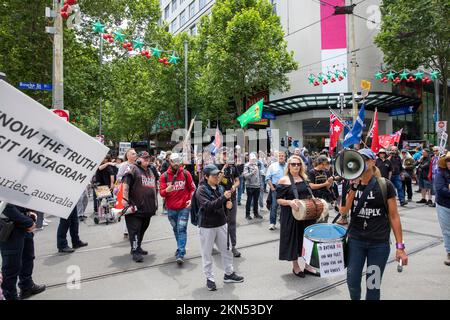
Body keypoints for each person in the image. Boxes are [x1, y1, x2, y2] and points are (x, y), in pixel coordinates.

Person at [339, 149, 408, 300]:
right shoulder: (350, 185)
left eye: (364, 159)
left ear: (372, 162)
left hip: (379, 244)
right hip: (356, 241)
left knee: (373, 284)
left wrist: (400, 247)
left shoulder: (385, 185)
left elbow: (394, 217)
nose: (360, 162)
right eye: (358, 159)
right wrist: (352, 188)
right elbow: (343, 211)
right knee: (352, 279)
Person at [196, 164, 244, 291]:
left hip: (222, 223)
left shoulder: (220, 188)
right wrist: (224, 199)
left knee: (227, 250)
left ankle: (229, 274)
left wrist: (228, 205)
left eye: (217, 174)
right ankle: (210, 279)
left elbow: (223, 205)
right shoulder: (201, 190)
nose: (217, 177)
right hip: (207, 226)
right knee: (207, 254)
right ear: (206, 177)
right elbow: (208, 206)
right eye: (214, 175)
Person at [276, 155, 319, 277]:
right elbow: (278, 199)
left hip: (307, 215)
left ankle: (308, 266)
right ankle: (295, 266)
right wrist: (289, 202)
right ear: (288, 166)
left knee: (308, 240)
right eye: (293, 164)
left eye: (298, 164)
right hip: (291, 215)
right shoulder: (283, 180)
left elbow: (309, 194)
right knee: (294, 240)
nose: (296, 166)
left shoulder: (304, 178)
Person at [0, 204, 46, 300]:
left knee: (28, 257)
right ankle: (10, 296)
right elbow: (5, 206)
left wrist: (31, 213)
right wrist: (28, 222)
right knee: (11, 266)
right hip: (9, 226)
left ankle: (27, 286)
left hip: (22, 222)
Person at [160, 153, 196, 265]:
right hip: (171, 209)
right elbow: (161, 193)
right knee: (176, 229)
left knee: (181, 229)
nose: (176, 163)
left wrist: (191, 199)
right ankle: (181, 247)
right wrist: (167, 190)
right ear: (169, 161)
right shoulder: (164, 176)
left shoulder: (186, 174)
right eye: (174, 161)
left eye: (178, 161)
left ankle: (180, 253)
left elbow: (193, 188)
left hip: (184, 207)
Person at [122, 151, 158, 263]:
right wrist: (125, 198)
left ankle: (138, 247)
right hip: (135, 208)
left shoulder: (151, 170)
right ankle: (135, 251)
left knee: (142, 230)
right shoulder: (132, 168)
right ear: (139, 159)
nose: (147, 160)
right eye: (144, 158)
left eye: (148, 158)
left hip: (148, 208)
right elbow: (125, 183)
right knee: (134, 231)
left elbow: (157, 182)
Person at [217, 149, 241, 257]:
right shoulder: (216, 166)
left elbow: (238, 181)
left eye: (228, 154)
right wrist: (223, 168)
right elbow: (217, 181)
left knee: (232, 222)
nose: (226, 156)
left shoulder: (233, 166)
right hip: (219, 199)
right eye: (224, 154)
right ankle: (221, 244)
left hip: (232, 197)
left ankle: (233, 246)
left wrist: (234, 187)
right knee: (220, 222)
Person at [117, 148, 138, 239]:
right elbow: (118, 177)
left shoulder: (137, 164)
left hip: (136, 191)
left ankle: (134, 228)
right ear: (128, 155)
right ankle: (127, 230)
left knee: (135, 210)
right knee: (128, 210)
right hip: (127, 191)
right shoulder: (124, 165)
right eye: (133, 154)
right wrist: (127, 178)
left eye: (135, 153)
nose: (135, 155)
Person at [307, 155, 335, 222]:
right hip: (315, 197)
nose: (326, 165)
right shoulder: (312, 172)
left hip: (325, 197)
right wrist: (325, 184)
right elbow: (311, 186)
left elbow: (327, 187)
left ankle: (324, 229)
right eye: (325, 163)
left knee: (325, 215)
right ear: (321, 163)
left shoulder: (326, 172)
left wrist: (330, 182)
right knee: (316, 215)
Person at [435, 152, 450, 266]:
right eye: (448, 160)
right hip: (444, 205)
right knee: (447, 231)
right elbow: (440, 190)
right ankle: (449, 253)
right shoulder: (440, 173)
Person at [266, 151, 287, 230]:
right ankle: (272, 223)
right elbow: (268, 178)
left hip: (285, 189)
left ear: (285, 157)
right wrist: (272, 188)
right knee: (274, 206)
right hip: (275, 189)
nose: (281, 157)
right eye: (280, 156)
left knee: (284, 206)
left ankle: (283, 222)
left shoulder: (288, 166)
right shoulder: (272, 166)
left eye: (283, 156)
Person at [243, 153, 263, 220]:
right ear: (249, 159)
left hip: (257, 186)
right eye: (252, 159)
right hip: (250, 186)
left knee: (256, 201)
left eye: (254, 159)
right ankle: (247, 214)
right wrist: (252, 173)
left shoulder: (257, 165)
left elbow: (259, 175)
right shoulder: (247, 165)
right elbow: (245, 175)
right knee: (249, 200)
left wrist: (260, 184)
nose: (253, 160)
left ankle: (256, 213)